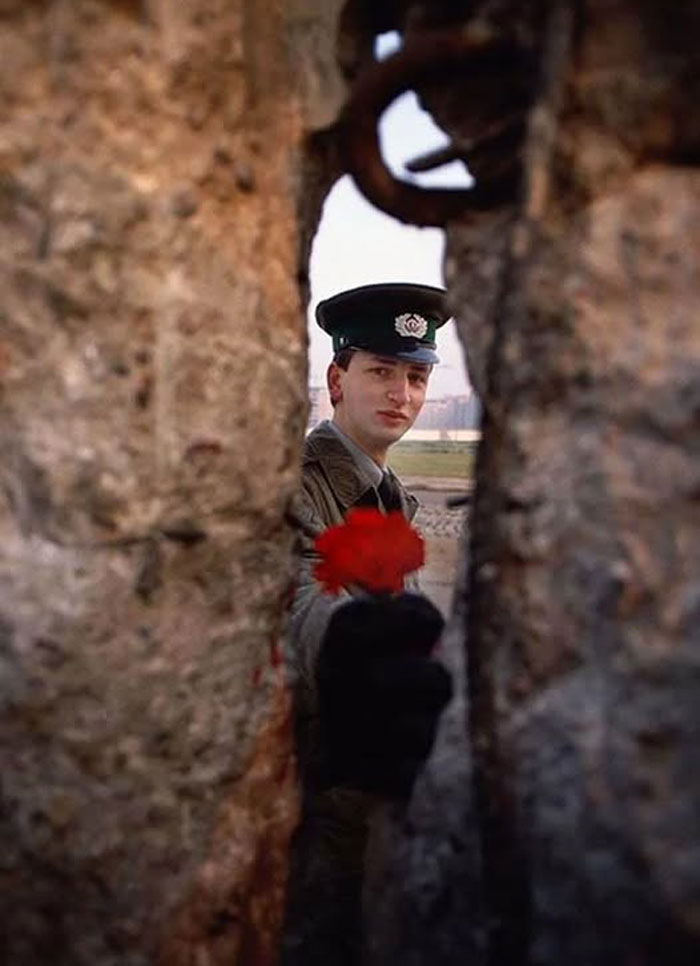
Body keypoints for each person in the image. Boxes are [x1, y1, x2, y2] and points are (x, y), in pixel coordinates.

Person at [281, 283, 453, 966]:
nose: (401, 395)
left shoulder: (392, 501)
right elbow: (292, 598)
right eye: (380, 371)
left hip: (370, 831)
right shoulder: (293, 483)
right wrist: (346, 642)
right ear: (336, 379)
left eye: (415, 376)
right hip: (312, 828)